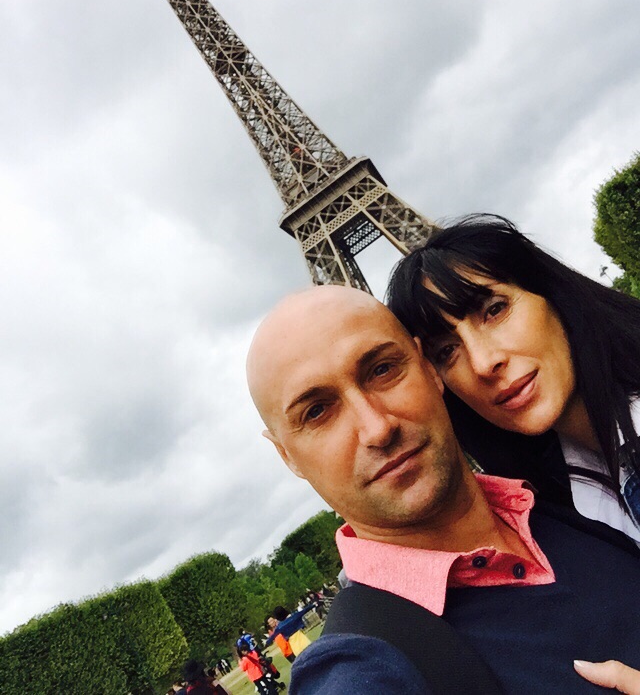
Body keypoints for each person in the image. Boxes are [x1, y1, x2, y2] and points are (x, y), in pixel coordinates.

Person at [246, 284, 640, 693]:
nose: (377, 428)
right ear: (287, 456)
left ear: (429, 368)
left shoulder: (567, 499)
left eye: (382, 369)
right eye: (316, 411)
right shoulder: (360, 675)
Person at [386, 214, 640, 543]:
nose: (482, 363)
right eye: (446, 351)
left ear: (551, 293)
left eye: (495, 310)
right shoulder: (556, 512)